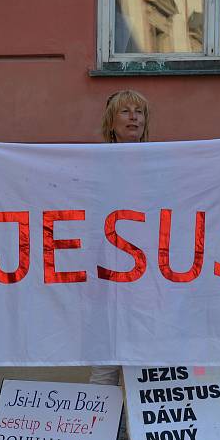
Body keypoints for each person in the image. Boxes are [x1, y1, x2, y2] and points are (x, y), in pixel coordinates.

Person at [89, 89, 150, 385]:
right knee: (106, 350)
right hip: (107, 270)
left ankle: (145, 428)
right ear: (110, 121)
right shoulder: (94, 162)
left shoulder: (162, 162)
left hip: (150, 272)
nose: (133, 117)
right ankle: (98, 427)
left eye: (139, 112)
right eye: (125, 111)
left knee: (146, 351)